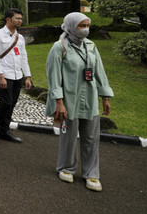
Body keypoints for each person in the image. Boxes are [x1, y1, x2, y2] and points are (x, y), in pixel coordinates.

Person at [45, 12, 113, 192]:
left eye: (87, 26)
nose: (85, 30)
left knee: (91, 137)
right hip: (69, 99)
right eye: (81, 26)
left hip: (89, 98)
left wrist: (105, 97)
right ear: (70, 26)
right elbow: (54, 77)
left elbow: (100, 72)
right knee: (69, 136)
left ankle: (92, 173)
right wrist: (58, 102)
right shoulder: (59, 47)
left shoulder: (91, 46)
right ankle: (67, 168)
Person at [0, 9, 32, 144]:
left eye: (21, 19)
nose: (20, 21)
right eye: (17, 18)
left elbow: (24, 57)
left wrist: (27, 76)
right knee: (5, 102)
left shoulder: (20, 38)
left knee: (11, 103)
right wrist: (0, 76)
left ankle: (4, 131)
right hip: (4, 75)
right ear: (8, 19)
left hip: (17, 75)